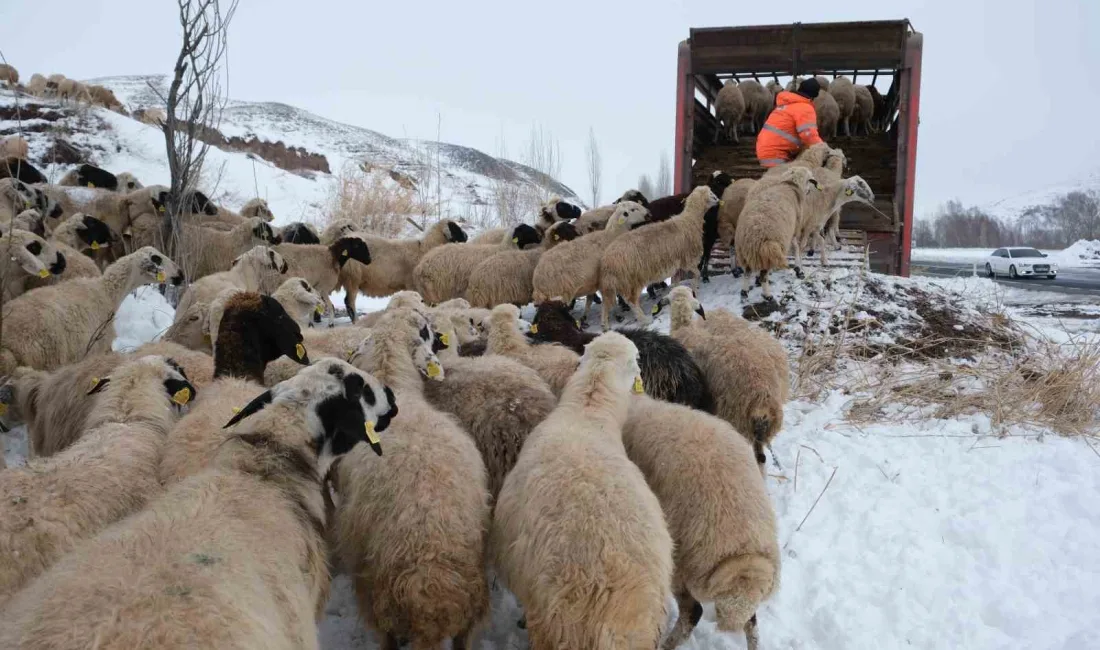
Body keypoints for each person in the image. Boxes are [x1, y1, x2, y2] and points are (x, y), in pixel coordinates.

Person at [756, 78, 824, 168]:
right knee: (787, 180)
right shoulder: (804, 108)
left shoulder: (786, 105)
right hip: (777, 153)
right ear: (813, 96)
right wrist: (824, 149)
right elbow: (809, 135)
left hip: (765, 149)